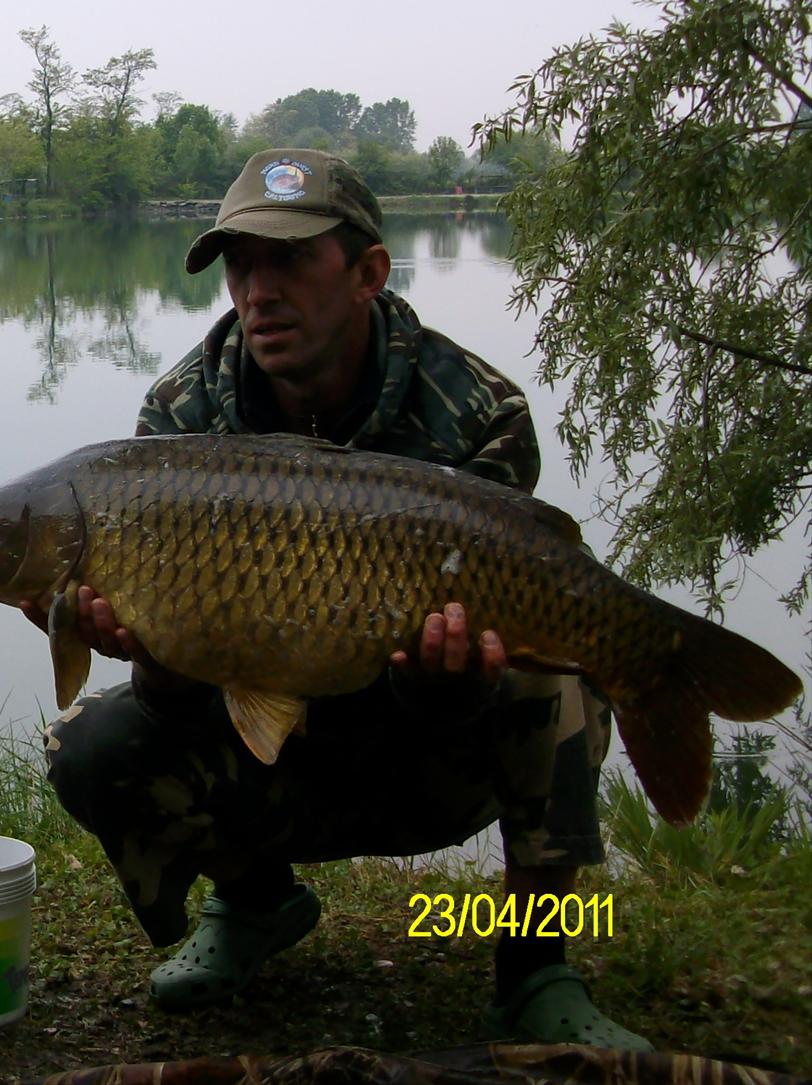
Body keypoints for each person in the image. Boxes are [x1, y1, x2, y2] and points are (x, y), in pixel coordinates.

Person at [38, 148, 648, 1049]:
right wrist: (150, 650)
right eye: (242, 264)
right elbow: (180, 693)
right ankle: (255, 903)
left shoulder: (477, 410)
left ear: (368, 271)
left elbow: (504, 628)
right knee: (88, 742)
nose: (259, 290)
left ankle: (536, 964)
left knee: (556, 679)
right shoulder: (179, 417)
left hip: (427, 735)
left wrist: (448, 683)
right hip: (277, 740)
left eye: (290, 260)